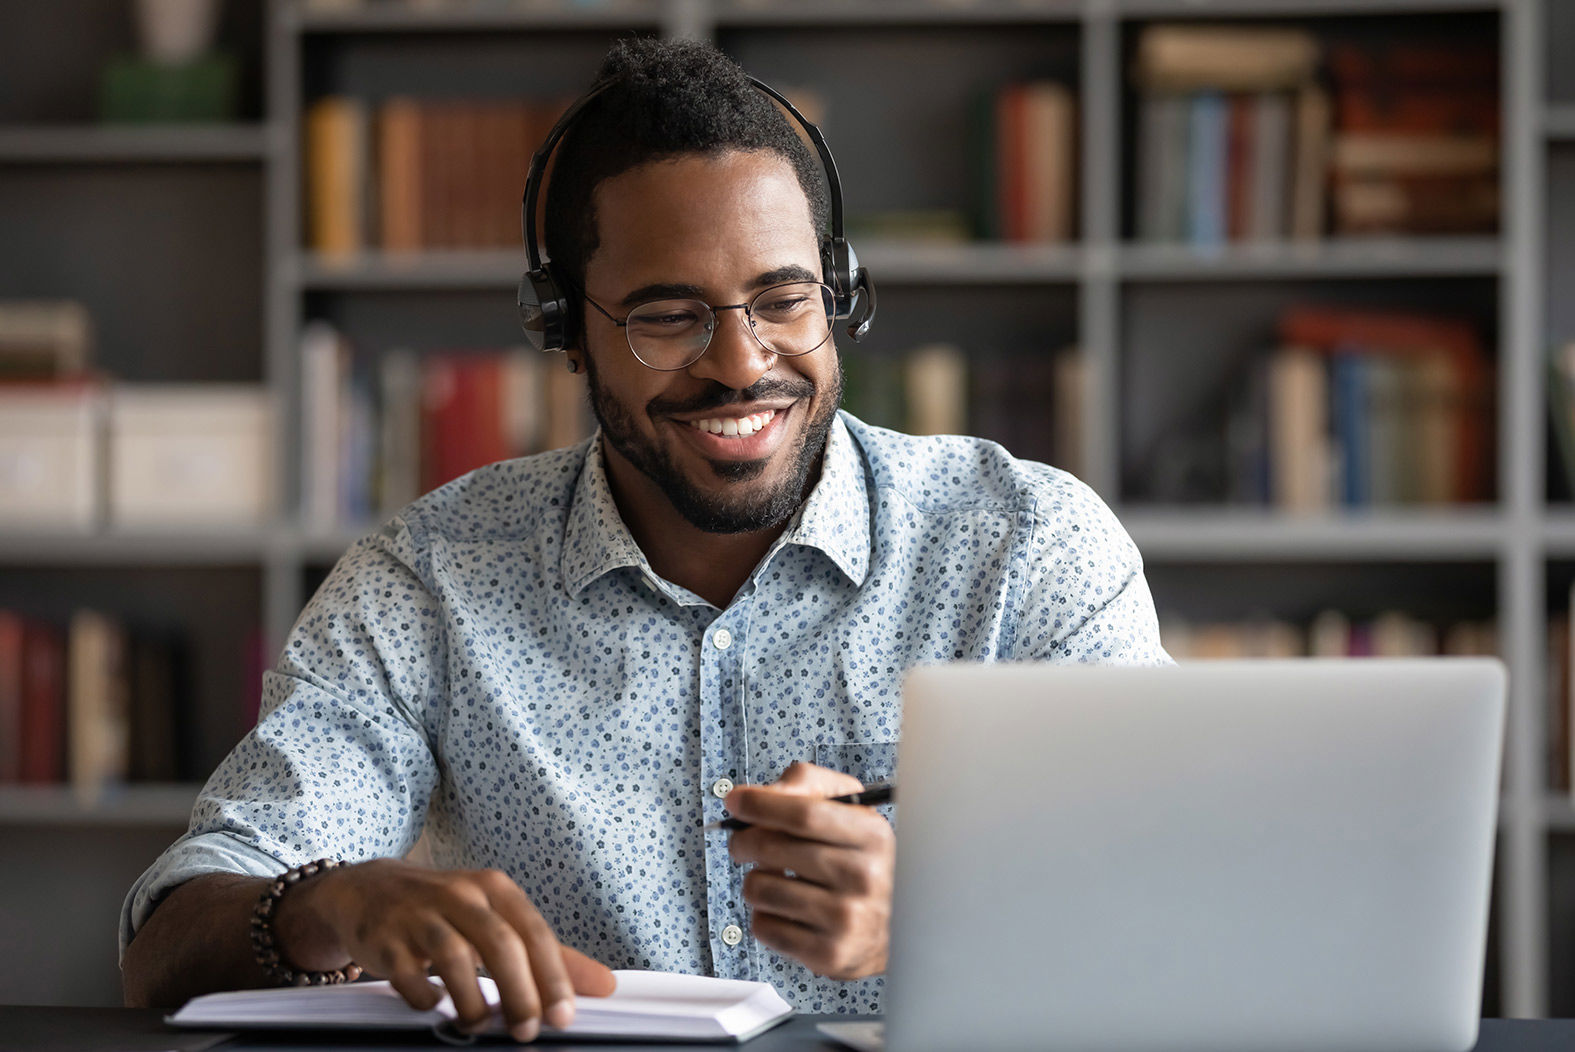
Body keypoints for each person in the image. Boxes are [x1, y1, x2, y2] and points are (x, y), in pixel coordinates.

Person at [120, 37, 1169, 1041]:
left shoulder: (1028, 548)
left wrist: (942, 916)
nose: (739, 362)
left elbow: (1183, 914)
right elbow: (166, 938)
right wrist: (331, 902)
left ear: (837, 293)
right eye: (668, 317)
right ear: (567, 330)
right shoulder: (430, 579)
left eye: (782, 299)